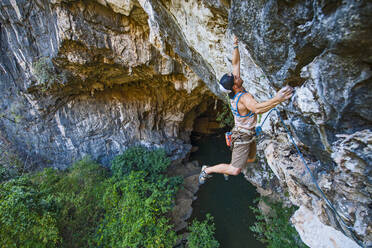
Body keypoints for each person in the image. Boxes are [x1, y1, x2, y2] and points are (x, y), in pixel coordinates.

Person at [198, 36, 294, 184]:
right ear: (234, 85)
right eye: (235, 78)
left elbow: (236, 63)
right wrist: (278, 99)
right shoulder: (244, 98)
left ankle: (232, 165)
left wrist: (235, 45)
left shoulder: (234, 90)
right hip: (242, 136)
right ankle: (207, 169)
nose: (237, 76)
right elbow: (257, 109)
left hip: (247, 133)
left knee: (251, 158)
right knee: (235, 170)